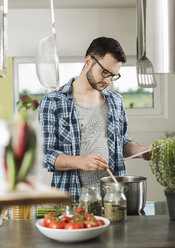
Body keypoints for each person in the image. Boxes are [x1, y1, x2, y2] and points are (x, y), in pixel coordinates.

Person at [38, 37, 152, 202]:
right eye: (105, 72)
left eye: (113, 76)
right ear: (88, 61)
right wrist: (81, 162)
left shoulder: (115, 100)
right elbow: (44, 153)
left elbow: (122, 143)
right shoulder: (54, 101)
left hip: (113, 199)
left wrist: (142, 151)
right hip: (71, 200)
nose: (107, 81)